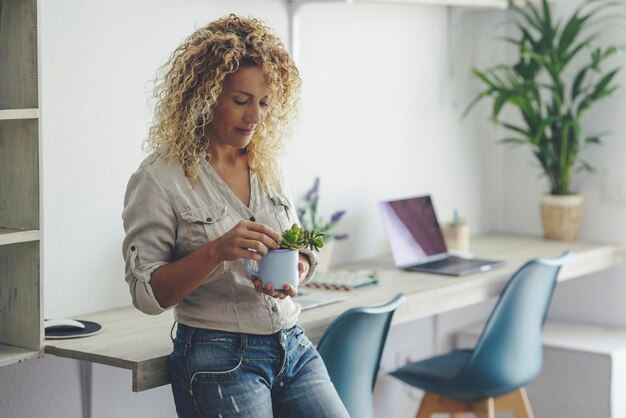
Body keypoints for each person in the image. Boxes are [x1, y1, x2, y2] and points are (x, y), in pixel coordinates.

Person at [122, 14, 350, 418]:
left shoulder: (265, 165)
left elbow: (296, 243)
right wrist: (217, 251)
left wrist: (294, 265)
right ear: (204, 95)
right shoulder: (158, 179)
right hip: (218, 359)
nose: (255, 118)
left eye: (263, 103)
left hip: (292, 345)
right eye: (241, 101)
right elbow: (148, 296)